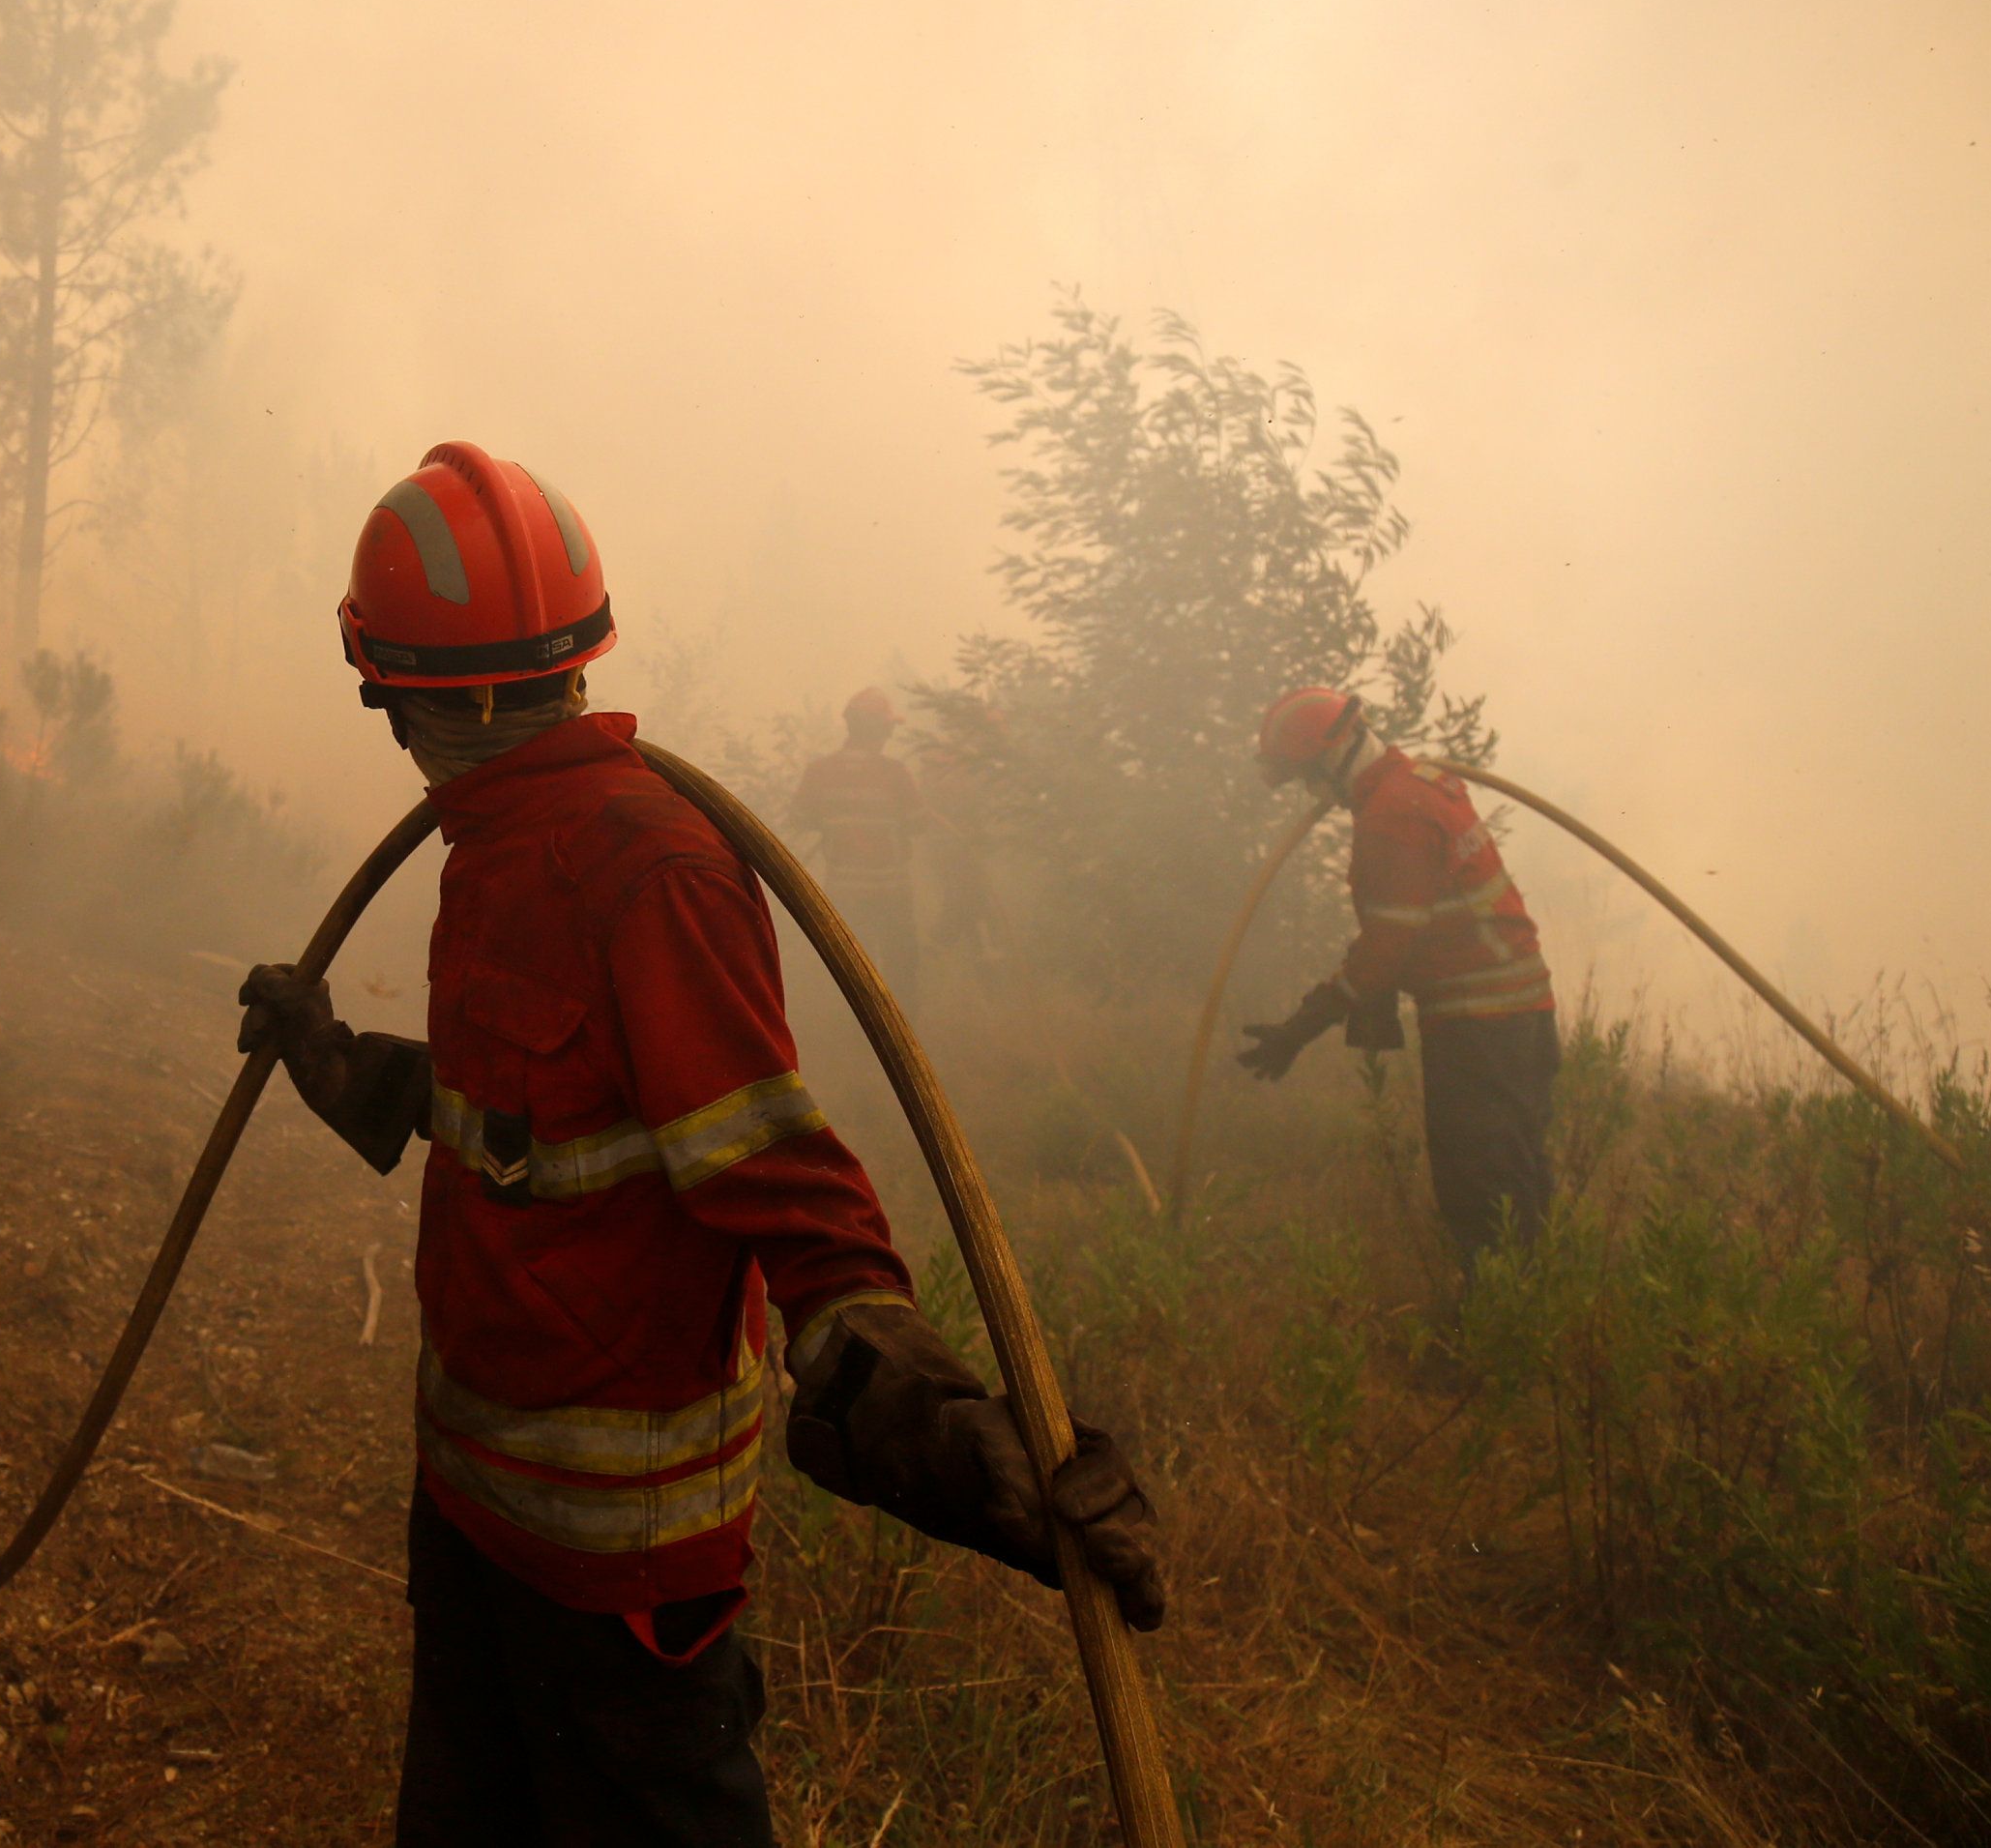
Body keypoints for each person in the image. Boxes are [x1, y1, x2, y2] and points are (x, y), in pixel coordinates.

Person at [238, 444, 1163, 1847]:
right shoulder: (494, 847)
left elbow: (781, 1186)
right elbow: (528, 1120)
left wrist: (954, 1433)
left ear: (429, 691)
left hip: (623, 1592)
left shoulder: (645, 866)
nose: (401, 737)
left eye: (400, 702)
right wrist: (343, 1064)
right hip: (474, 1525)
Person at [1236, 686, 1557, 1276]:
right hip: (1524, 1010)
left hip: (1478, 1024)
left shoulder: (1391, 817)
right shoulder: (1422, 782)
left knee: (1480, 1187)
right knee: (1519, 1171)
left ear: (1331, 758)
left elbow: (1384, 952)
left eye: (1308, 776)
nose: (1313, 793)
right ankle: (1534, 1312)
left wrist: (1300, 1028)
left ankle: (1497, 1331)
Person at [792, 686, 929, 988]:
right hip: (892, 893)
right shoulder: (895, 773)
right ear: (880, 730)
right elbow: (920, 823)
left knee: (853, 982)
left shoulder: (819, 771)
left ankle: (850, 1035)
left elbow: (800, 818)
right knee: (901, 977)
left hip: (843, 893)